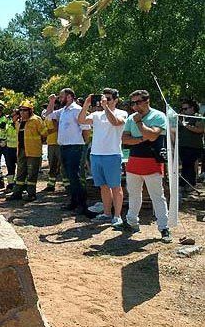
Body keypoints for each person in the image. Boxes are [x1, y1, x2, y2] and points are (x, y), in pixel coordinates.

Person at [118, 90, 172, 242]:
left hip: (152, 162)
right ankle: (131, 222)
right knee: (134, 195)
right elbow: (124, 139)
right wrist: (142, 138)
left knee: (157, 196)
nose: (135, 106)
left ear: (147, 101)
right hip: (134, 161)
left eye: (138, 102)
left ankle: (164, 228)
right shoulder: (131, 117)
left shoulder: (158, 116)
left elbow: (153, 135)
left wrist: (139, 123)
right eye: (133, 103)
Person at [78, 89, 128, 224]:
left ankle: (117, 216)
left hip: (112, 155)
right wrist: (86, 104)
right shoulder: (96, 114)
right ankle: (107, 213)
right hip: (96, 154)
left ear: (116, 100)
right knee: (103, 186)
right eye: (103, 98)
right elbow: (81, 120)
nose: (105, 100)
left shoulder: (122, 113)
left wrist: (106, 107)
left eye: (109, 98)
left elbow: (116, 122)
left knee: (116, 187)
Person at [46, 88, 95, 217]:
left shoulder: (77, 110)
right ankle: (74, 202)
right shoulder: (63, 111)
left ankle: (82, 205)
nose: (59, 99)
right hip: (64, 147)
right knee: (69, 176)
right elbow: (48, 115)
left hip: (75, 147)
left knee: (76, 176)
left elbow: (86, 129)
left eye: (61, 96)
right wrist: (51, 101)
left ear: (69, 97)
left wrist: (83, 145)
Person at [7, 101, 46, 202]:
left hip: (33, 151)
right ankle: (17, 193)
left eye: (25, 110)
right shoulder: (20, 122)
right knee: (20, 173)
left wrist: (37, 143)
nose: (22, 112)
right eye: (20, 110)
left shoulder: (36, 120)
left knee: (32, 173)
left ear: (30, 110)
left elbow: (44, 133)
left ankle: (31, 194)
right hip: (21, 151)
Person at [178, 99, 204, 193]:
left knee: (189, 165)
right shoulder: (183, 117)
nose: (183, 111)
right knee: (185, 165)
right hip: (182, 145)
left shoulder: (197, 117)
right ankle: (184, 184)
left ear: (192, 108)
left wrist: (186, 126)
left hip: (193, 146)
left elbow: (200, 129)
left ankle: (190, 184)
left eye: (185, 108)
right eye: (182, 109)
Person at [43, 102, 66, 192]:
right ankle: (51, 184)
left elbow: (57, 128)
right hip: (50, 143)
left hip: (58, 143)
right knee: (52, 165)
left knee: (62, 165)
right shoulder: (47, 118)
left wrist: (47, 132)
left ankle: (67, 185)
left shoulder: (56, 116)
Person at [4, 109, 19, 192]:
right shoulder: (9, 125)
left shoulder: (20, 124)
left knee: (21, 168)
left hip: (18, 149)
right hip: (9, 149)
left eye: (13, 115)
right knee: (10, 168)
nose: (11, 117)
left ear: (17, 116)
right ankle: (10, 184)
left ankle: (21, 185)